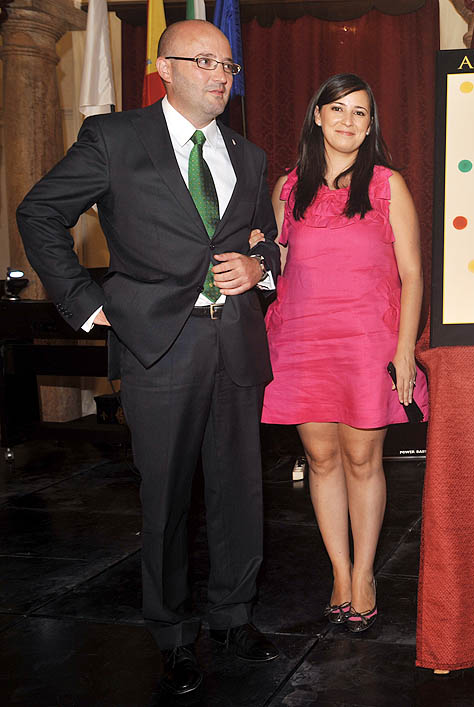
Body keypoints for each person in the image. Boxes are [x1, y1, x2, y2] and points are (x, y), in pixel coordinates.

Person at [16, 20, 281, 695]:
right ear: (164, 67)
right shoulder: (114, 139)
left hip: (235, 342)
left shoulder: (249, 157)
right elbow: (39, 211)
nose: (221, 75)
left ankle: (232, 613)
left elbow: (269, 242)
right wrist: (85, 300)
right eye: (204, 61)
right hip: (158, 345)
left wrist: (259, 266)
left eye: (228, 65)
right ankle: (171, 632)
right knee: (164, 497)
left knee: (239, 490)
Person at [257, 73, 427, 634]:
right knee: (321, 461)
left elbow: (412, 274)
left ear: (370, 124)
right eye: (337, 109)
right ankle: (338, 571)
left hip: (366, 341)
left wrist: (405, 351)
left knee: (362, 460)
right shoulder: (287, 187)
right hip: (302, 339)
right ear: (317, 117)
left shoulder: (386, 185)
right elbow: (272, 266)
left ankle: (365, 575)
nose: (348, 121)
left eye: (360, 112)